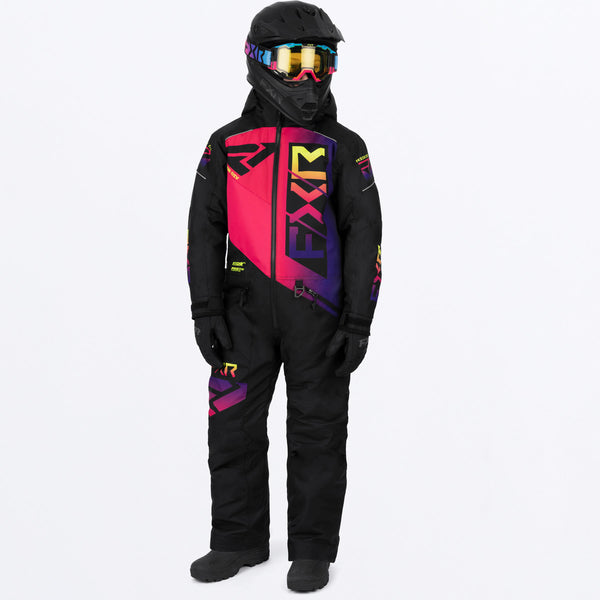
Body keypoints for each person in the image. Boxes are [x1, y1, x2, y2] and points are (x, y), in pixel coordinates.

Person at [186, 1, 382, 592]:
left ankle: (313, 550)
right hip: (241, 316)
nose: (309, 75)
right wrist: (205, 308)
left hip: (320, 319)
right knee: (232, 427)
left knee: (319, 431)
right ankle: (237, 540)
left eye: (321, 60)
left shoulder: (345, 146)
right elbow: (203, 230)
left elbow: (365, 234)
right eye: (293, 60)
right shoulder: (226, 144)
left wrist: (358, 321)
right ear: (258, 61)